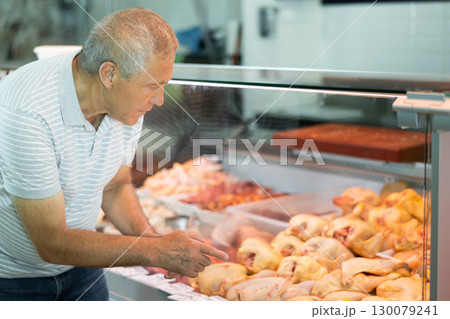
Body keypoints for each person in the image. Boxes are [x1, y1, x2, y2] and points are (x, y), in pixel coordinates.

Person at [0, 7, 227, 301]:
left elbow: (115, 185)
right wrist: (155, 250)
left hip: (83, 266)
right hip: (14, 282)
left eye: (163, 86)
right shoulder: (28, 110)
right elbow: (51, 242)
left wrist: (157, 245)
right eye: (152, 87)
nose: (158, 100)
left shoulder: (124, 103)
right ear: (109, 74)